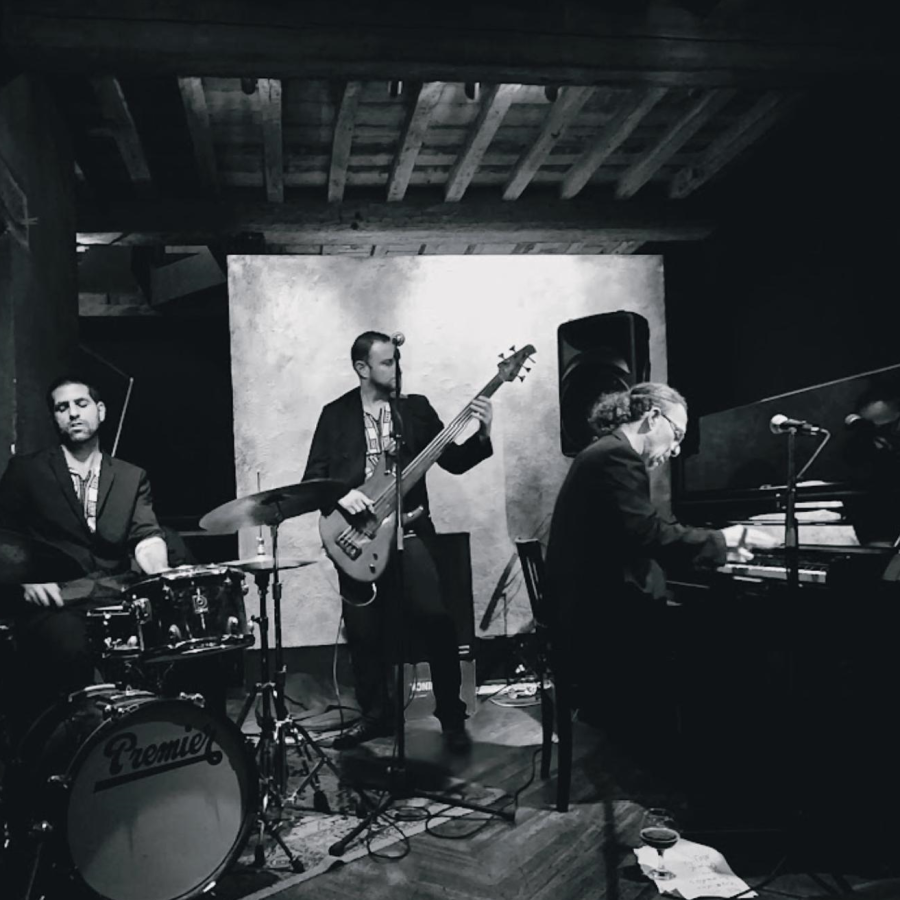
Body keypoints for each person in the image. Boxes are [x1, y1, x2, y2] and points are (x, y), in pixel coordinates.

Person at [544, 382, 777, 735]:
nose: (677, 449)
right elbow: (649, 534)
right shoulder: (616, 456)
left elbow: (641, 530)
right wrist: (721, 540)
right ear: (653, 417)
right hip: (598, 623)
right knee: (718, 645)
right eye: (677, 434)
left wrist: (707, 545)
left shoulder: (605, 452)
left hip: (585, 607)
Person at [303, 331, 493, 750]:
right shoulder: (334, 415)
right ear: (362, 368)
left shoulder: (415, 410)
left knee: (436, 620)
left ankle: (451, 712)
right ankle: (376, 716)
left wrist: (482, 433)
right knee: (363, 632)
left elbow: (454, 461)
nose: (396, 369)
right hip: (356, 537)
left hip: (409, 529)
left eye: (397, 361)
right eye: (387, 362)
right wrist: (341, 495)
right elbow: (313, 480)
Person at [0, 375, 170, 729]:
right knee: (69, 646)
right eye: (62, 408)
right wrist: (23, 579)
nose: (73, 414)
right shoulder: (26, 471)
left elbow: (146, 535)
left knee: (180, 643)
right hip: (55, 602)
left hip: (114, 594)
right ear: (54, 417)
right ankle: (75, 743)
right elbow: (4, 538)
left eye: (81, 404)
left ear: (100, 411)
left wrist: (160, 572)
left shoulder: (132, 477)